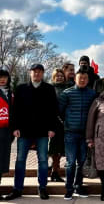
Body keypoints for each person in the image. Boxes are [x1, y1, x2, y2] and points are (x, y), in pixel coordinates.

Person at [6, 64, 57, 200]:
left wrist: (52, 128)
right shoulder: (21, 88)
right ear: (30, 73)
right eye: (34, 71)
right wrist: (15, 127)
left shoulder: (49, 89)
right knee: (20, 160)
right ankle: (17, 189)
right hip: (24, 131)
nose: (37, 74)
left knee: (43, 160)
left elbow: (53, 110)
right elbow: (15, 110)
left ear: (43, 73)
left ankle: (42, 188)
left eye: (40, 72)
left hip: (42, 131)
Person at [59, 68, 97, 200]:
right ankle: (68, 188)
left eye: (85, 78)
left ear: (88, 80)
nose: (82, 80)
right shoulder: (67, 93)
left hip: (85, 134)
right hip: (70, 133)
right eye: (80, 78)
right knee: (70, 162)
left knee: (81, 161)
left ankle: (78, 186)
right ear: (75, 78)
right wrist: (67, 123)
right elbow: (59, 112)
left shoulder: (92, 94)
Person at [49, 69, 67, 183]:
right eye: (57, 76)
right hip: (51, 123)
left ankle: (54, 170)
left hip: (63, 123)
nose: (59, 78)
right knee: (51, 150)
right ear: (53, 77)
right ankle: (52, 171)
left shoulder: (67, 90)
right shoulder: (49, 89)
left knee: (59, 150)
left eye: (61, 76)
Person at [0, 70, 13, 199]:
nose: (2, 80)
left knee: (2, 163)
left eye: (4, 77)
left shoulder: (10, 92)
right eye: (0, 77)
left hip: (6, 132)